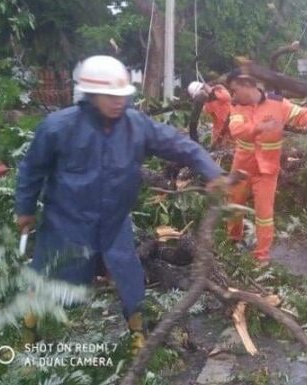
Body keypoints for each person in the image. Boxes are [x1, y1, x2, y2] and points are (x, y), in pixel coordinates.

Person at [15, 56, 227, 354]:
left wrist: (212, 172)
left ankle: (137, 337)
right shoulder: (57, 128)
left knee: (130, 279)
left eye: (122, 96)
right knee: (54, 280)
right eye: (110, 97)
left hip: (115, 222)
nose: (118, 102)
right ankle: (29, 331)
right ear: (90, 96)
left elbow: (179, 145)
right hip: (66, 223)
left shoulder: (135, 125)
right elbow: (31, 170)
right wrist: (24, 209)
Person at [225, 69, 307, 266]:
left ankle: (261, 255)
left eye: (234, 90)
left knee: (264, 213)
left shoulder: (278, 104)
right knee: (234, 203)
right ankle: (233, 239)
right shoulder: (236, 107)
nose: (233, 95)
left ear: (247, 86)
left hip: (267, 170)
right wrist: (258, 128)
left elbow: (301, 116)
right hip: (242, 168)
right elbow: (237, 131)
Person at [187, 80, 233, 148]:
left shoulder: (220, 91)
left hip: (232, 130)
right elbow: (201, 113)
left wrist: (208, 91)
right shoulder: (207, 103)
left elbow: (226, 96)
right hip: (219, 134)